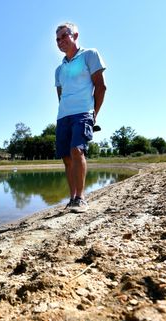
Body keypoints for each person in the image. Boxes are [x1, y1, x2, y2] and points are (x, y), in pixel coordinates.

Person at [54, 22, 106, 213]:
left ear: (75, 35)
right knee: (66, 158)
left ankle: (81, 198)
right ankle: (72, 198)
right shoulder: (59, 70)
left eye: (64, 36)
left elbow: (101, 87)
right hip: (63, 116)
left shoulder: (89, 55)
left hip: (83, 112)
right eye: (57, 39)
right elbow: (60, 96)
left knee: (77, 150)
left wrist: (94, 114)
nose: (60, 41)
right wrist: (62, 113)